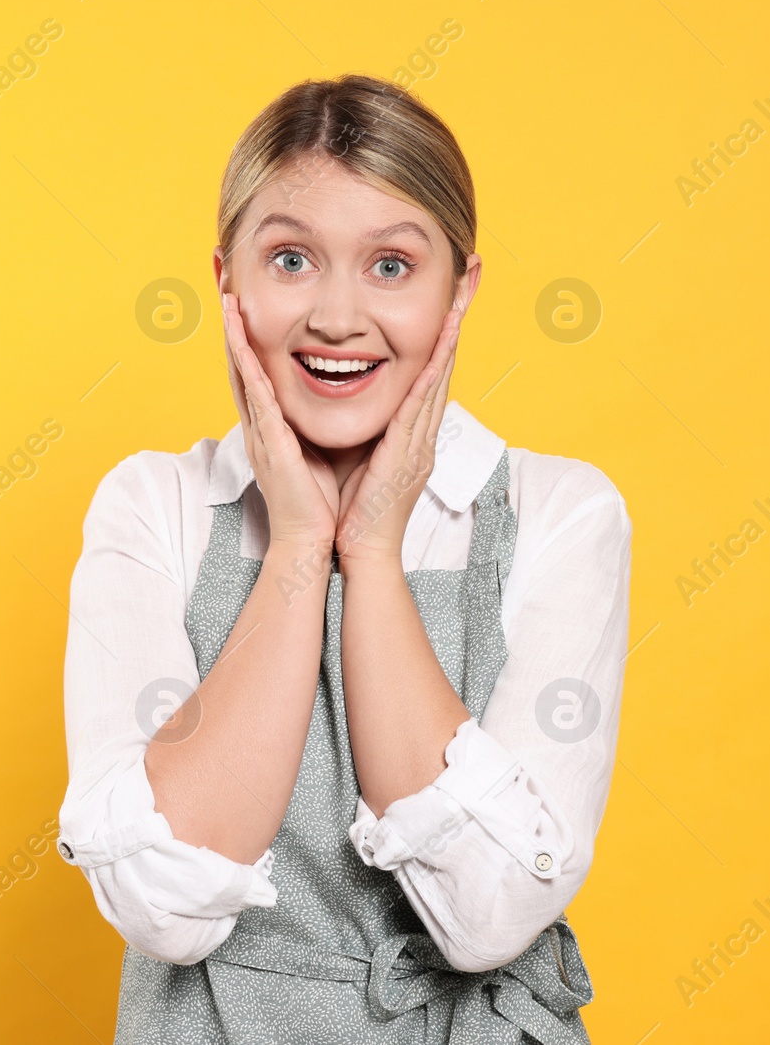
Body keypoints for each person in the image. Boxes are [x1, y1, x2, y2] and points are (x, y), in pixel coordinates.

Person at [56, 73, 632, 1042]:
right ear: (227, 278)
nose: (334, 315)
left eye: (392, 266)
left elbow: (487, 915)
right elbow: (164, 908)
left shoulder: (559, 513)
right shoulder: (155, 507)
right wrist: (294, 544)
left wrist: (370, 548)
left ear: (462, 285)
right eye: (290, 259)